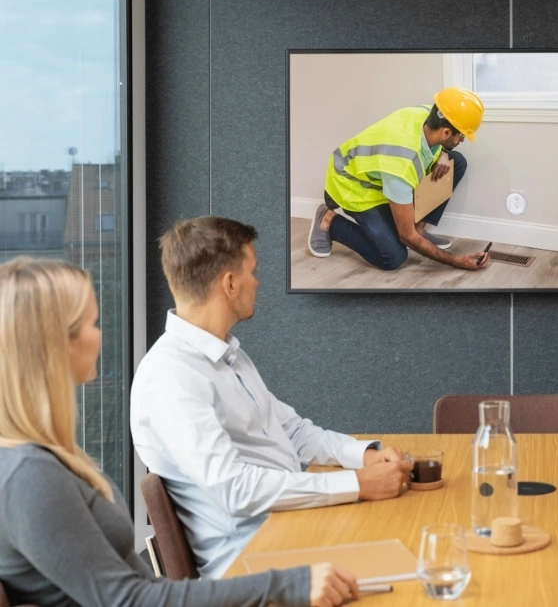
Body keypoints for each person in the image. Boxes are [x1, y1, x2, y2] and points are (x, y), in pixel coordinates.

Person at [0, 257, 358, 607]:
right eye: (93, 323)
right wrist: (286, 586)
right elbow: (131, 600)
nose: (101, 335)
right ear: (57, 343)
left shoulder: (40, 459)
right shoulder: (30, 477)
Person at [131, 216, 414, 579]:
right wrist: (357, 485)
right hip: (252, 563)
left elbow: (294, 431)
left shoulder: (227, 355)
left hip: (287, 531)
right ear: (230, 284)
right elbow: (235, 490)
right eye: (253, 270)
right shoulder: (172, 376)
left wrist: (364, 457)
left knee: (411, 543)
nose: (258, 281)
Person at [307, 87, 490, 271]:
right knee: (393, 256)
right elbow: (406, 236)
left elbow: (445, 137)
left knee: (455, 162)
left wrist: (444, 151)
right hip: (353, 185)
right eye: (462, 135)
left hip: (382, 177)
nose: (463, 140)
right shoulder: (401, 164)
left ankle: (419, 230)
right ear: (445, 133)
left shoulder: (430, 113)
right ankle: (328, 220)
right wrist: (457, 261)